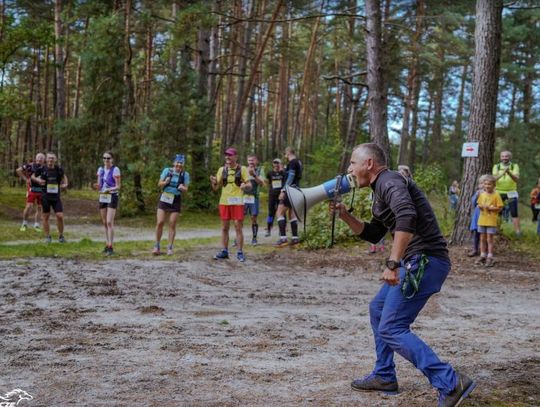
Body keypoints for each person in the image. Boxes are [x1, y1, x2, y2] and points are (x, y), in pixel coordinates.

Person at [332, 143, 475, 407]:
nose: (349, 168)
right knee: (378, 309)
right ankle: (385, 375)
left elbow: (406, 215)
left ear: (369, 164)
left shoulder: (390, 181)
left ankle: (451, 382)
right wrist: (344, 216)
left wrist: (392, 263)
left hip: (424, 261)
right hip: (418, 261)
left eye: (353, 163)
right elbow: (374, 233)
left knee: (392, 327)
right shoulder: (380, 190)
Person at [210, 147, 250, 262]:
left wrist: (245, 186)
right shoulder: (221, 170)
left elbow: (250, 185)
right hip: (224, 201)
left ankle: (240, 252)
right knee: (224, 228)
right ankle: (224, 251)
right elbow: (216, 187)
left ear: (235, 157)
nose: (227, 157)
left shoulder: (242, 169)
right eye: (226, 155)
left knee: (238, 226)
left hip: (237, 202)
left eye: (230, 155)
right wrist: (213, 182)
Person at [153, 154, 190, 256]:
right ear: (174, 163)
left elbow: (186, 189)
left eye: (181, 163)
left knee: (172, 223)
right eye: (177, 162)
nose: (179, 165)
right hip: (164, 198)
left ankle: (170, 247)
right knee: (160, 222)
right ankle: (157, 245)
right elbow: (159, 184)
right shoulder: (167, 171)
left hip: (176, 199)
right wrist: (165, 182)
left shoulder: (185, 175)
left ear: (183, 164)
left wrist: (183, 188)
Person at [31, 153, 68, 243]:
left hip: (56, 197)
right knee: (45, 217)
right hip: (45, 197)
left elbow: (64, 176)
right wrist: (38, 180)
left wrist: (65, 184)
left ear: (55, 160)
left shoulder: (58, 169)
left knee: (60, 216)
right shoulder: (42, 169)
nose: (50, 160)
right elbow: (32, 176)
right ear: (46, 160)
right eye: (49, 158)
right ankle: (48, 237)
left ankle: (61, 236)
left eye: (52, 158)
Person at [275, 146, 303, 247]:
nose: (285, 156)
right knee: (292, 214)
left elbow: (291, 176)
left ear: (288, 153)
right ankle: (295, 239)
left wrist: (283, 190)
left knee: (279, 212)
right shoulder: (299, 162)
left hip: (289, 191)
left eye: (285, 154)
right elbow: (295, 176)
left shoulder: (292, 162)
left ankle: (283, 239)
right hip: (296, 189)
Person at [95, 152, 121, 256]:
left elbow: (118, 186)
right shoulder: (100, 170)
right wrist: (97, 186)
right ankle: (107, 243)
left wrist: (110, 189)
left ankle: (111, 246)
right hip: (103, 196)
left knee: (110, 221)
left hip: (112, 196)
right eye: (104, 158)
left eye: (108, 158)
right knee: (105, 222)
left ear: (112, 159)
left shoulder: (115, 169)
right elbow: (99, 185)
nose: (106, 160)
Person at [475, 175, 503, 267]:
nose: (487, 186)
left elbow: (500, 208)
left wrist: (492, 208)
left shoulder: (496, 195)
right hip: (482, 220)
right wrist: (482, 206)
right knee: (482, 238)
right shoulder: (482, 194)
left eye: (489, 184)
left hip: (491, 220)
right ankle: (482, 255)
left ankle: (490, 256)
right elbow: (478, 204)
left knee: (489, 239)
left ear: (494, 185)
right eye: (486, 184)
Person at [492, 150, 521, 236]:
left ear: (510, 157)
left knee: (514, 212)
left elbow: (516, 179)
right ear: (500, 157)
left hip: (511, 192)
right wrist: (504, 173)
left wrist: (509, 172)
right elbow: (494, 179)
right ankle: (497, 230)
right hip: (499, 191)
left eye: (506, 156)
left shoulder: (514, 166)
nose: (504, 158)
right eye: (503, 156)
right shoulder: (496, 166)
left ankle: (518, 232)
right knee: (498, 212)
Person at [16, 153, 45, 231]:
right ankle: (24, 224)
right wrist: (26, 179)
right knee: (29, 206)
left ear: (44, 160)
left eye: (41, 158)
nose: (39, 160)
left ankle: (36, 225)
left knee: (39, 207)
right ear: (35, 158)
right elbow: (18, 170)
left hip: (42, 190)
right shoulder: (30, 165)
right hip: (32, 189)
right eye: (38, 158)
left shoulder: (45, 168)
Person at [243, 155, 265, 245]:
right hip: (243, 197)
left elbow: (262, 183)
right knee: (240, 218)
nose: (251, 162)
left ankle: (254, 238)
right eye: (249, 160)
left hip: (254, 197)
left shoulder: (260, 170)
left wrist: (254, 175)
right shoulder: (243, 169)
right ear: (247, 161)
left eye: (252, 160)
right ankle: (237, 238)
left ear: (256, 161)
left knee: (253, 218)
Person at [265, 158, 285, 237]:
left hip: (281, 195)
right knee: (270, 213)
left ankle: (282, 230)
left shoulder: (283, 173)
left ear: (280, 164)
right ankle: (269, 229)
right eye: (275, 163)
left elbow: (286, 180)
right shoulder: (270, 173)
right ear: (273, 164)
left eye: (278, 163)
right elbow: (267, 182)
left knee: (282, 212)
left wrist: (282, 169)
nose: (276, 164)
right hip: (272, 195)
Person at [467, 175, 486, 257]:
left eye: (484, 183)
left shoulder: (491, 193)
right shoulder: (478, 193)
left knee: (485, 233)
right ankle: (475, 249)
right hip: (477, 215)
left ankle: (485, 250)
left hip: (486, 216)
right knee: (476, 233)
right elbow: (474, 203)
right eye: (481, 183)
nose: (482, 185)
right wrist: (477, 195)